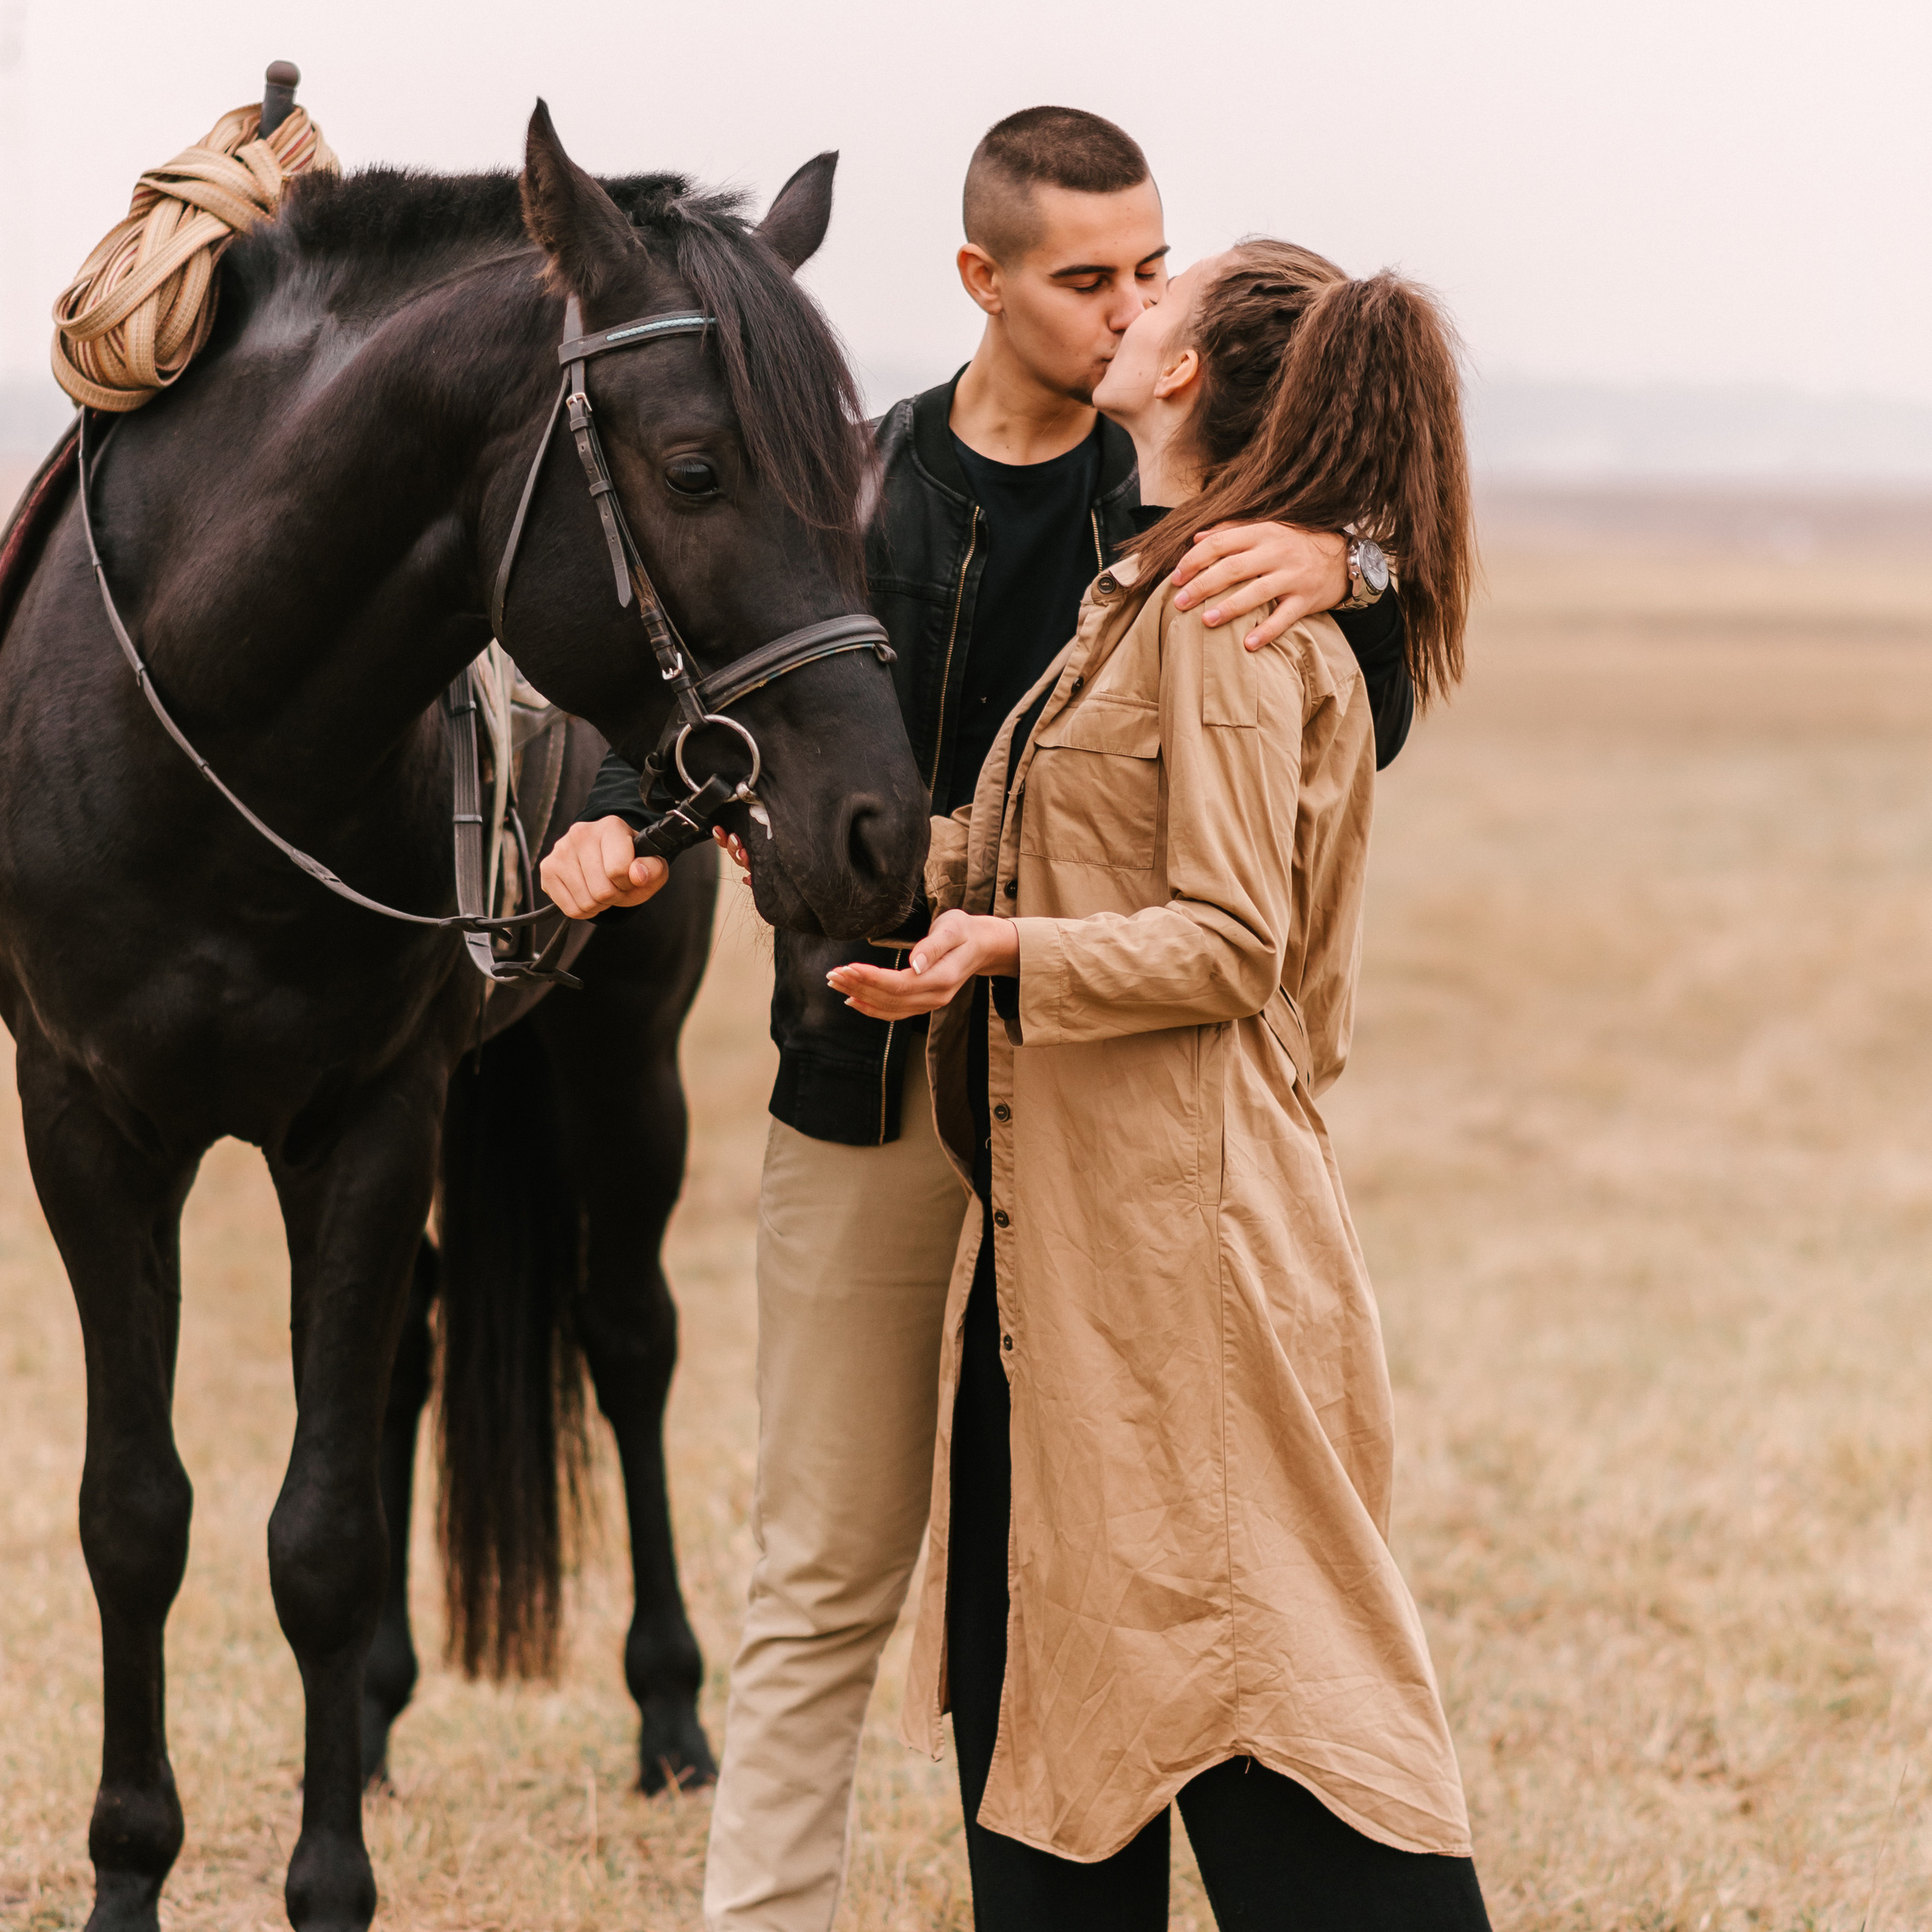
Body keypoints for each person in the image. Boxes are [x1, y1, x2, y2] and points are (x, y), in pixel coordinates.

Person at [541, 109, 1417, 1932]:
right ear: (979, 279)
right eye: (1084, 277)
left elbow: (1361, 710)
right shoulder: (843, 483)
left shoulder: (1194, 509)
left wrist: (1354, 566)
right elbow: (713, 673)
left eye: (1145, 270)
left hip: (1097, 1112)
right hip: (865, 1072)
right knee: (823, 1570)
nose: (1124, 308)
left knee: (1105, 1563)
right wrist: (622, 817)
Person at [826, 240, 1488, 1928]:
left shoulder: (1221, 611)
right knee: (1033, 1703)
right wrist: (832, 846)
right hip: (1061, 1249)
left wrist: (1002, 953)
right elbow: (1056, 851)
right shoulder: (1148, 588)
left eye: (1159, 299)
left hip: (1184, 1257)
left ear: (1186, 373)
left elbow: (1229, 940)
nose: (1128, 313)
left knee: (1278, 1706)